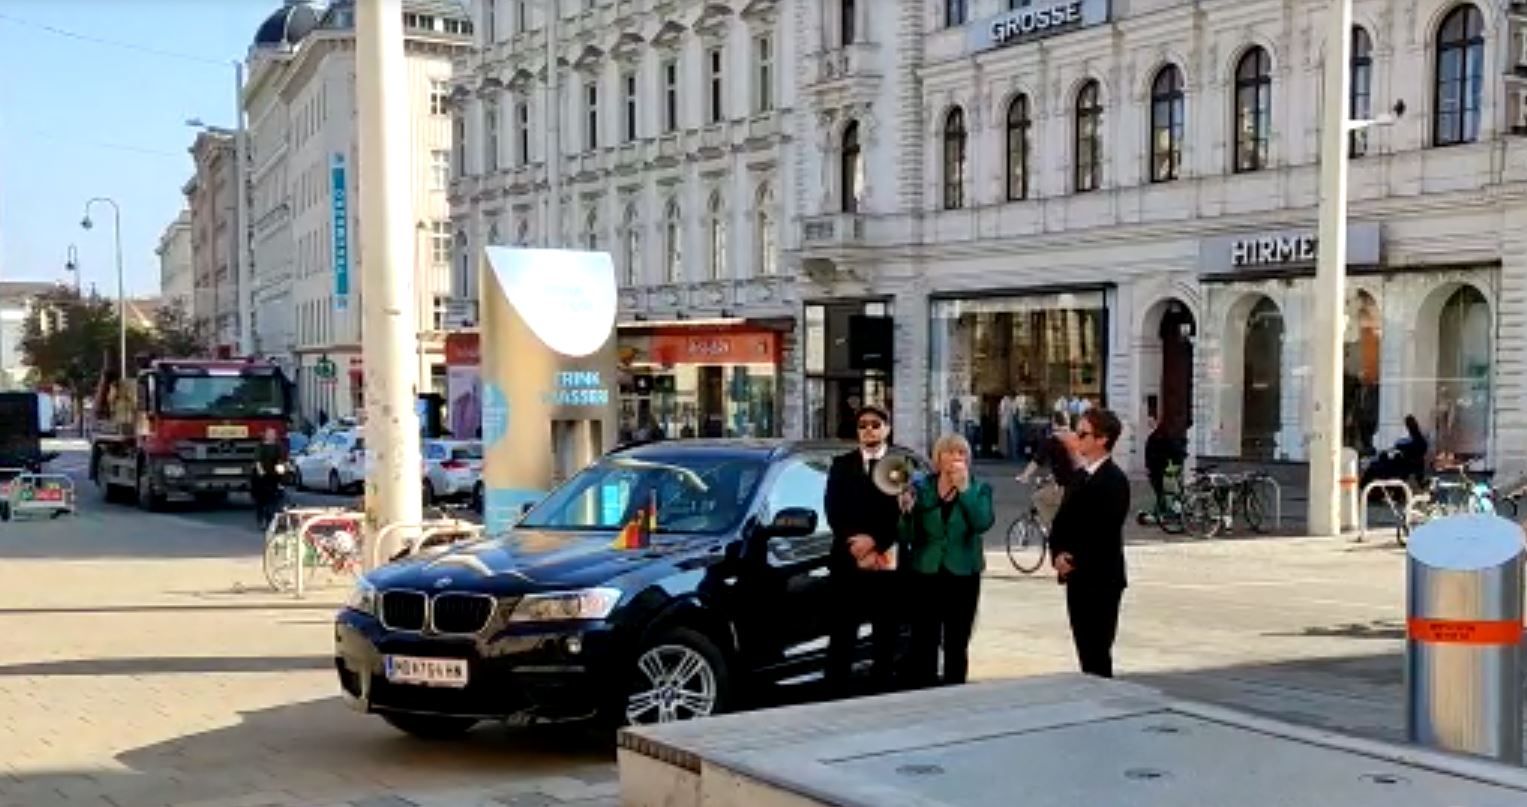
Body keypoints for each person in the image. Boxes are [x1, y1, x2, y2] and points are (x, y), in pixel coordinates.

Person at [899, 433, 994, 688]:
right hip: (926, 572)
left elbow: (982, 522)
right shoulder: (921, 488)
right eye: (949, 452)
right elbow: (907, 535)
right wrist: (905, 513)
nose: (955, 458)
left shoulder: (979, 488)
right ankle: (924, 689)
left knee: (956, 641)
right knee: (924, 640)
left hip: (962, 573)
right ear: (938, 458)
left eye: (961, 453)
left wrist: (965, 491)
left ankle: (954, 691)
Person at [824, 403, 904, 696]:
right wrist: (855, 545)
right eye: (863, 425)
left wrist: (875, 543)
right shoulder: (841, 464)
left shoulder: (898, 466)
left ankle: (880, 693)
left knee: (884, 634)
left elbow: (900, 515)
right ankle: (835, 695)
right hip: (847, 559)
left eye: (875, 424)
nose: (868, 430)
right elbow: (833, 510)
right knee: (843, 633)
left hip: (884, 561)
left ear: (886, 429)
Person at [1048, 408, 1130, 678]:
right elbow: (1060, 523)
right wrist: (1057, 554)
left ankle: (1104, 705)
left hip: (1101, 578)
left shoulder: (1115, 481)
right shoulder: (1079, 477)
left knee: (1097, 651)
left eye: (1083, 434)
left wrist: (1073, 560)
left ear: (1102, 439)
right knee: (1084, 650)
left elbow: (1103, 532)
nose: (1077, 439)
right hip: (1076, 577)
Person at [1016, 411, 1080, 528]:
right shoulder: (1076, 437)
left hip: (1065, 487)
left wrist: (1025, 476)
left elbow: (1036, 461)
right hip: (1082, 485)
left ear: (1054, 423)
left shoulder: (1052, 440)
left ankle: (1054, 530)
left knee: (1037, 497)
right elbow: (1068, 463)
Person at [252, 427, 286, 529]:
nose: (272, 436)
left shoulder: (278, 446)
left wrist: (281, 473)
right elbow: (258, 461)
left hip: (274, 475)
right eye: (269, 434)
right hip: (261, 477)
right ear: (265, 435)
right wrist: (261, 472)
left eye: (273, 434)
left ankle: (271, 521)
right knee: (261, 501)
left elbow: (281, 460)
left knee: (273, 500)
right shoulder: (260, 446)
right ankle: (261, 519)